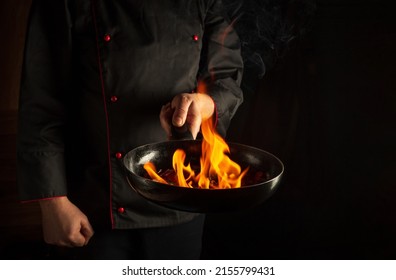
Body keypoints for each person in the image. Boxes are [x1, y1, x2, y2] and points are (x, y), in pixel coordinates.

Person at [17, 0, 243, 259]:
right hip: (95, 203)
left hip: (183, 193)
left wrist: (207, 102)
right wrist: (52, 202)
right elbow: (42, 99)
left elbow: (226, 74)